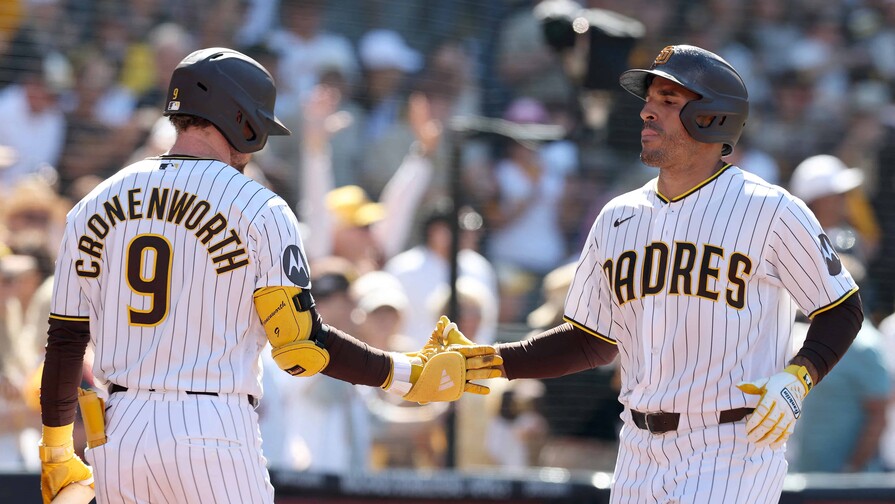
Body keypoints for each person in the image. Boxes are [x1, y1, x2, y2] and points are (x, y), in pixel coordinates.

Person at [37, 47, 501, 504]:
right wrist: (406, 372)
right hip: (212, 427)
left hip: (119, 432)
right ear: (241, 120)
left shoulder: (92, 203)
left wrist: (56, 446)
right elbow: (302, 348)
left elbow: (64, 342)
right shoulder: (260, 207)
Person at [439, 45, 863, 502]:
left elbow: (842, 308)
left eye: (667, 100)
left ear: (713, 116)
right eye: (649, 100)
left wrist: (799, 377)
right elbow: (590, 340)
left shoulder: (771, 210)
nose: (645, 111)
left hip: (733, 444)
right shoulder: (617, 216)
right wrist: (489, 360)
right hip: (638, 450)